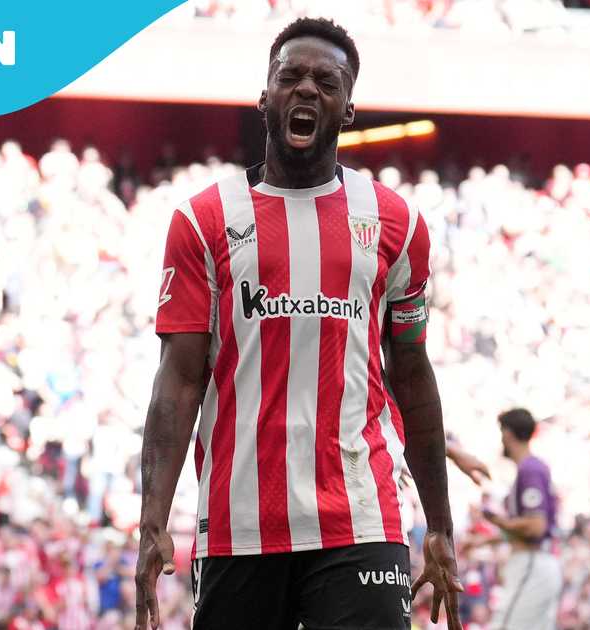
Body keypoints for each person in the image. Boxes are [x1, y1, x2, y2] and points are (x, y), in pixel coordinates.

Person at [133, 17, 463, 630]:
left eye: (326, 81)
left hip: (361, 520)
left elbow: (413, 376)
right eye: (291, 77)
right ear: (265, 97)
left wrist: (440, 526)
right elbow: (177, 382)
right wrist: (153, 522)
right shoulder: (203, 221)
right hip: (240, 525)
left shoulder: (398, 224)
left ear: (349, 108)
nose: (307, 89)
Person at [481, 408, 562, 630]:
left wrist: (497, 520)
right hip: (539, 562)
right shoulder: (533, 467)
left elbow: (536, 526)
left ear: (507, 434)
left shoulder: (530, 469)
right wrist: (486, 541)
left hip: (532, 562)